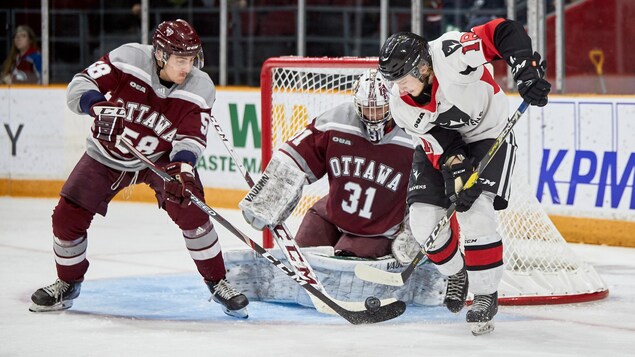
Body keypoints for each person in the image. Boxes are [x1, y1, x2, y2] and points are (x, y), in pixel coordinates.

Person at [29, 19, 249, 318]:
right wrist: (96, 106)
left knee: (192, 211)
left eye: (192, 59)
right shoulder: (127, 58)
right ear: (160, 54)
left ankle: (218, 281)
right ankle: (68, 283)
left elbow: (191, 137)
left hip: (160, 159)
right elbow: (79, 85)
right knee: (67, 216)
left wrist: (183, 169)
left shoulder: (201, 87)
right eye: (181, 60)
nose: (188, 67)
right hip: (106, 154)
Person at [377, 18, 550, 333]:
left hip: (489, 135)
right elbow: (437, 141)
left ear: (423, 68)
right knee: (422, 221)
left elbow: (502, 31)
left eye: (402, 79)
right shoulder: (399, 103)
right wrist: (455, 167)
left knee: (475, 213)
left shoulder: (449, 54)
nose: (397, 87)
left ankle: (485, 294)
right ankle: (457, 273)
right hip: (441, 148)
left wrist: (525, 70)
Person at [239, 69, 418, 260]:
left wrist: (413, 230)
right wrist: (271, 193)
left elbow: (431, 189)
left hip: (378, 228)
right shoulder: (338, 120)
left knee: (344, 270)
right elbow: (297, 154)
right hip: (332, 213)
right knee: (302, 256)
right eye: (366, 108)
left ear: (392, 103)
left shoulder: (413, 135)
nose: (372, 115)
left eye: (379, 108)